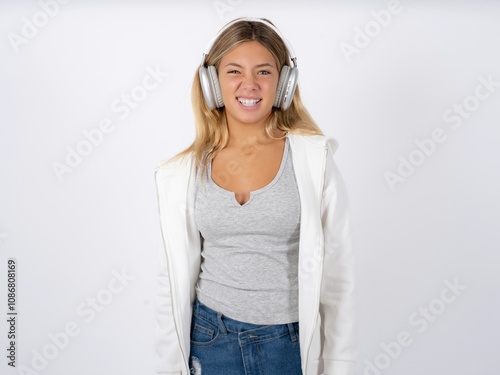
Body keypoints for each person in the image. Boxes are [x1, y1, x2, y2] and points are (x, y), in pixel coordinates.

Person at [155, 17, 357, 375]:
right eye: (234, 71)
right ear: (212, 81)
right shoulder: (184, 172)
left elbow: (339, 276)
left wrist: (340, 365)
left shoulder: (314, 159)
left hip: (290, 345)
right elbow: (170, 281)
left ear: (283, 83)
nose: (249, 84)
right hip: (210, 340)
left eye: (263, 72)